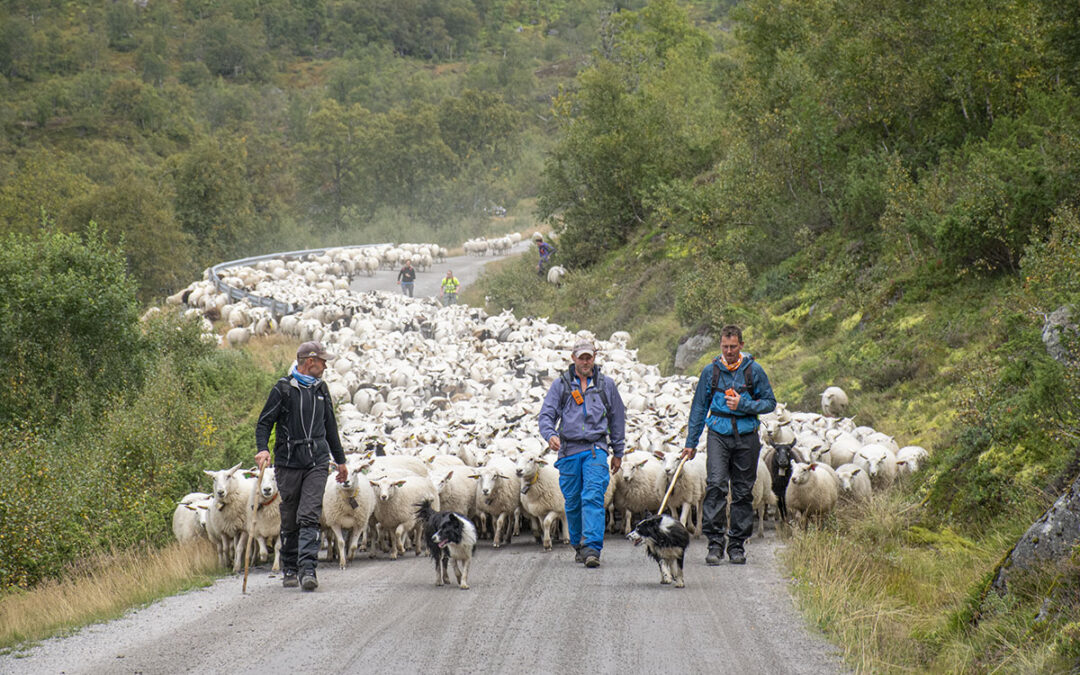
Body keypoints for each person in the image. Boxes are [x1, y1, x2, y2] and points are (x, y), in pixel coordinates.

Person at [255, 341, 349, 591]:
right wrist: (262, 448)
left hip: (317, 461)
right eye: (323, 361)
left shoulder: (322, 389)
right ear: (310, 362)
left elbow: (330, 427)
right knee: (290, 516)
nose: (326, 365)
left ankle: (308, 570)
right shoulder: (283, 389)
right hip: (288, 461)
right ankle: (290, 566)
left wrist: (340, 460)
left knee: (309, 515)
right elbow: (264, 423)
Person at [681, 325, 775, 566]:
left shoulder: (754, 370)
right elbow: (699, 408)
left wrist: (743, 404)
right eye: (725, 346)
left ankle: (736, 545)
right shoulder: (710, 371)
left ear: (741, 345)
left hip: (746, 435)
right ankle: (715, 543)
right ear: (720, 345)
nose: (729, 351)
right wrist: (691, 443)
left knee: (743, 491)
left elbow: (769, 402)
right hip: (718, 435)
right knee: (715, 485)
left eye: (733, 346)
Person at [538, 340, 625, 568]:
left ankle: (592, 547)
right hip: (568, 451)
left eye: (589, 357)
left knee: (594, 495)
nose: (586, 362)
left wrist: (618, 450)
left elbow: (617, 418)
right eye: (581, 357)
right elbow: (546, 415)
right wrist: (550, 435)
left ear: (594, 357)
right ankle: (578, 543)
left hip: (596, 449)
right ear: (573, 358)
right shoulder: (561, 386)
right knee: (573, 502)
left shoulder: (606, 385)